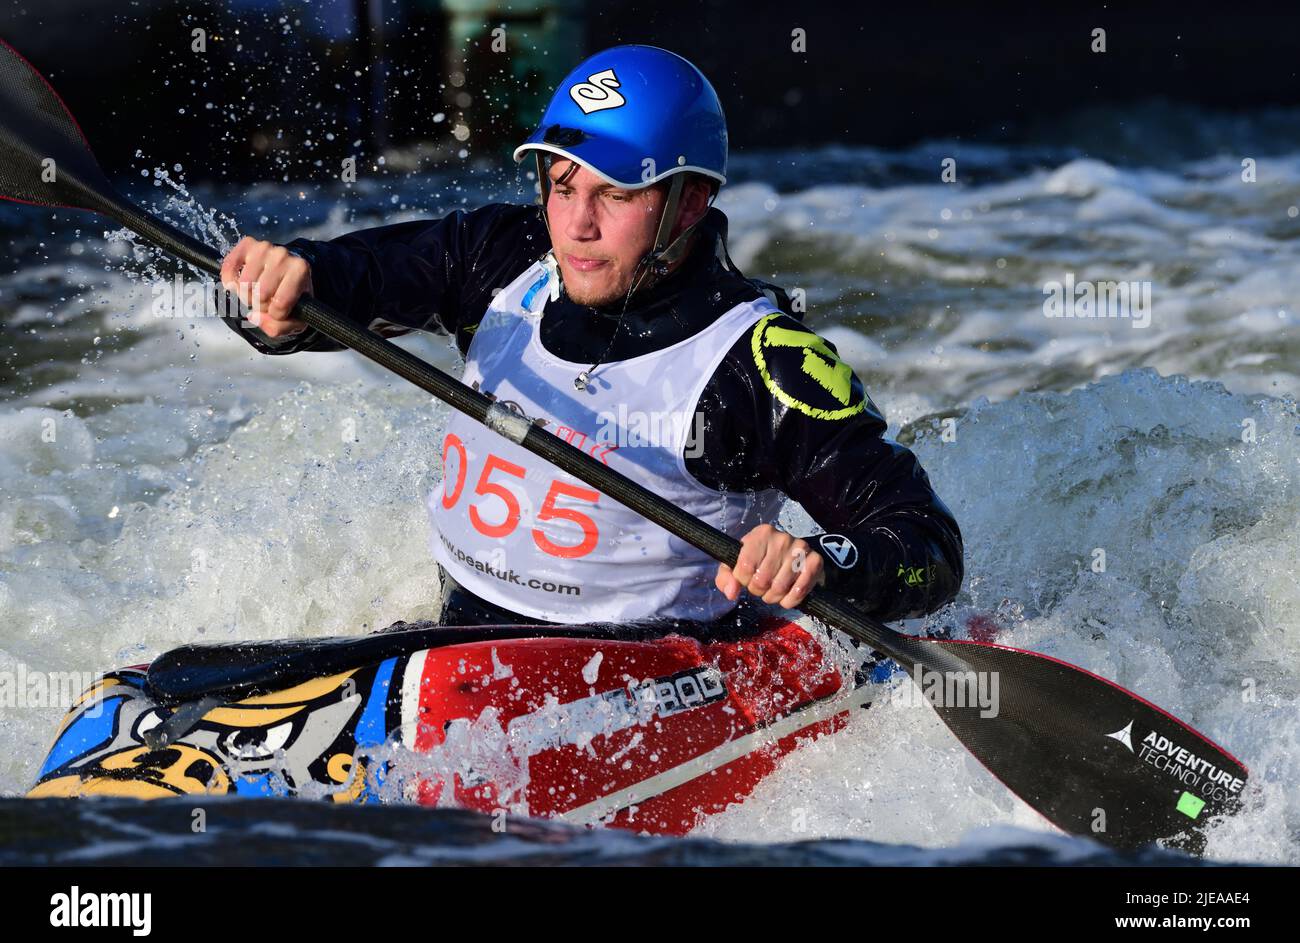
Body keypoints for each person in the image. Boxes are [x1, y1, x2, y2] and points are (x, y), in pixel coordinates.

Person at [219, 44, 963, 633]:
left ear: (691, 200)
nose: (577, 225)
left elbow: (926, 547)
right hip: (452, 641)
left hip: (647, 677)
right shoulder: (496, 259)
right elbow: (344, 286)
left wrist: (820, 561)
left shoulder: (761, 364)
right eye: (563, 184)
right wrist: (285, 288)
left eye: (617, 192)